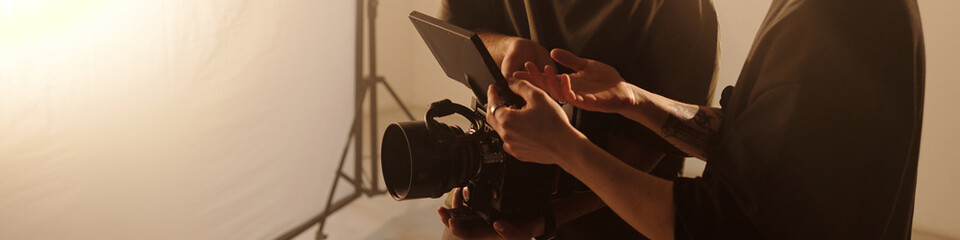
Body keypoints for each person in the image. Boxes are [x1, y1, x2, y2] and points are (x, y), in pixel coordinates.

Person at [485, 0, 925, 239]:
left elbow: (717, 222)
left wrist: (565, 147)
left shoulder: (838, 19)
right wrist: (632, 100)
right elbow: (758, 137)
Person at [437, 0, 719, 239]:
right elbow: (458, 26)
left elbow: (655, 144)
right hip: (488, 181)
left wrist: (546, 216)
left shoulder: (683, 10)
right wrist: (506, 48)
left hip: (618, 213)